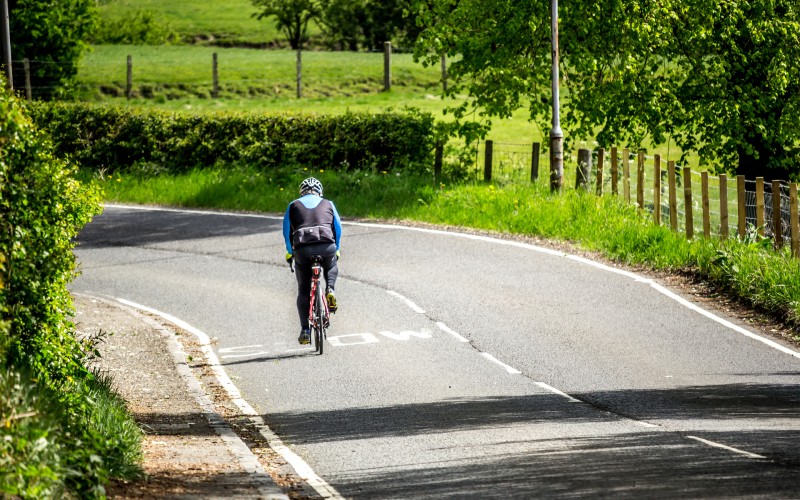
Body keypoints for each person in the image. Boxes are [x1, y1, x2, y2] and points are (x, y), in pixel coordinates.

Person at [283, 177, 342, 345]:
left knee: (303, 289)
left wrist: (290, 253)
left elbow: (286, 232)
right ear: (319, 191)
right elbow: (338, 228)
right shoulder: (328, 203)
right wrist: (336, 248)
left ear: (301, 192)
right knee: (331, 264)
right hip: (326, 246)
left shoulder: (293, 205)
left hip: (302, 249)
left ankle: (305, 330)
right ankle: (330, 289)